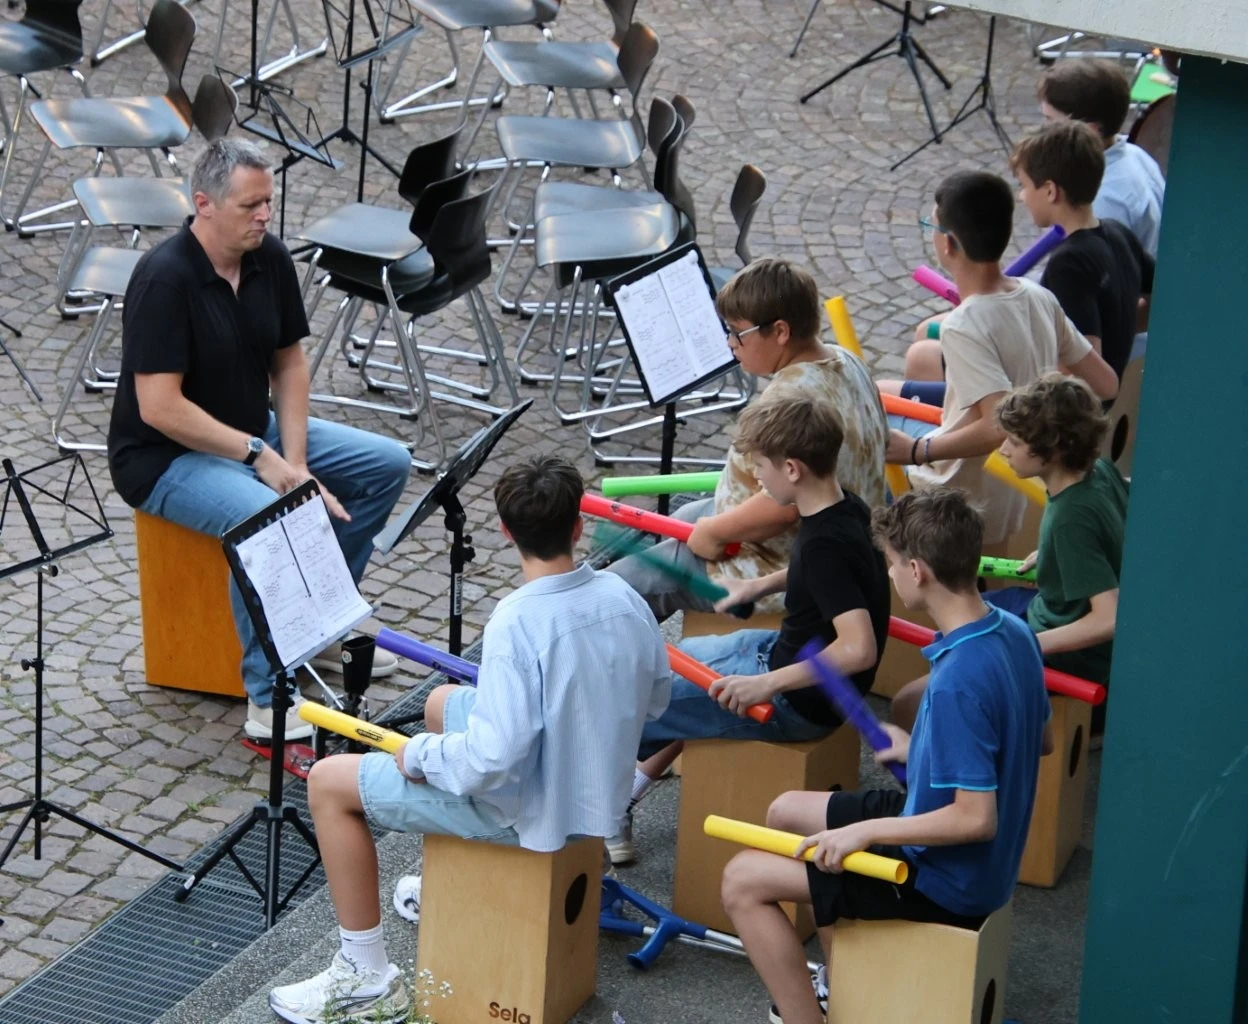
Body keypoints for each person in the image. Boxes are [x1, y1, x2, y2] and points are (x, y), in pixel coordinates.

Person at [268, 455, 670, 1024]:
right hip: (596, 788)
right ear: (579, 525)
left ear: (506, 532)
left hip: (531, 808)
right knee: (439, 703)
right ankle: (449, 886)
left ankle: (364, 974)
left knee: (331, 783)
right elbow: (656, 701)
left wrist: (419, 757)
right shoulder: (624, 595)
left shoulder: (516, 619)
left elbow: (491, 762)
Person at [106, 139, 412, 741]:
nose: (265, 215)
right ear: (205, 205)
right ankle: (270, 695)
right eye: (251, 205)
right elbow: (160, 408)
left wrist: (293, 462)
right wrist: (262, 459)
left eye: (268, 202)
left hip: (253, 428)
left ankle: (318, 627)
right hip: (164, 456)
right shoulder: (164, 278)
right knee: (269, 517)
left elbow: (290, 365)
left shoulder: (268, 257)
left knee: (387, 463)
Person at [720, 488, 1051, 1024]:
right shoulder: (1015, 633)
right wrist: (920, 746)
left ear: (917, 570)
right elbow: (1039, 742)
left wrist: (865, 834)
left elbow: (975, 817)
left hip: (946, 881)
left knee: (741, 881)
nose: (890, 576)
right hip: (961, 850)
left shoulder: (955, 684)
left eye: (893, 564)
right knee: (786, 812)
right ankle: (846, 980)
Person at [612, 391, 891, 864]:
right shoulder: (847, 509)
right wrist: (758, 586)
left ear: (793, 470)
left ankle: (602, 804)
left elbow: (858, 648)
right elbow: (838, 578)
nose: (757, 478)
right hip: (786, 659)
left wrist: (763, 684)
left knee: (627, 701)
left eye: (761, 466)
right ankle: (627, 779)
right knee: (657, 670)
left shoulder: (823, 542)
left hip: (792, 700)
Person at [608, 256, 887, 622]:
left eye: (737, 333)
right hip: (805, 537)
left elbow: (784, 506)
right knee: (683, 517)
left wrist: (715, 531)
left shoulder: (788, 401)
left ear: (781, 332)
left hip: (771, 561)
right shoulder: (847, 360)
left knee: (618, 590)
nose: (729, 343)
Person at [878, 171, 1118, 548]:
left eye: (932, 226)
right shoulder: (1038, 297)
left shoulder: (964, 324)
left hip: (956, 498)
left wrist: (916, 450)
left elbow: (998, 426)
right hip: (1018, 494)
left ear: (949, 244)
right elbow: (1106, 384)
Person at [895, 375, 1127, 737]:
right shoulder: (1098, 472)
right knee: (952, 620)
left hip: (1066, 646)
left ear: (1053, 450)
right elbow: (1110, 537)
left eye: (1015, 442)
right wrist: (1054, 556)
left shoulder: (1071, 518)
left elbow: (1109, 619)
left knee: (909, 704)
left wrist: (1025, 644)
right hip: (1049, 608)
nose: (1003, 449)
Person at [1012, 119, 1154, 382]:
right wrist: (1119, 330)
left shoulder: (1069, 263)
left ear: (1050, 191)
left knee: (926, 356)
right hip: (1113, 394)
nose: (1021, 196)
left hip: (1071, 413)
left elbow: (1080, 374)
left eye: (1024, 185)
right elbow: (1161, 297)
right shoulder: (1118, 233)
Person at [1037, 59, 1166, 256]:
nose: (1043, 130)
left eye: (1050, 121)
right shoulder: (1135, 153)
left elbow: (1097, 276)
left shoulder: (1102, 201)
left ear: (1089, 131)